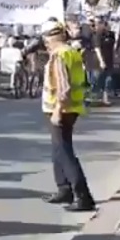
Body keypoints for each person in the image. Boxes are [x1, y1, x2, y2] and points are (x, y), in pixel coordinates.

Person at [38, 20, 95, 212]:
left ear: (48, 38)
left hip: (62, 109)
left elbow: (64, 88)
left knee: (64, 152)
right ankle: (64, 189)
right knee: (57, 149)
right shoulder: (71, 51)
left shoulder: (59, 56)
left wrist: (57, 111)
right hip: (72, 108)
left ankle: (83, 196)